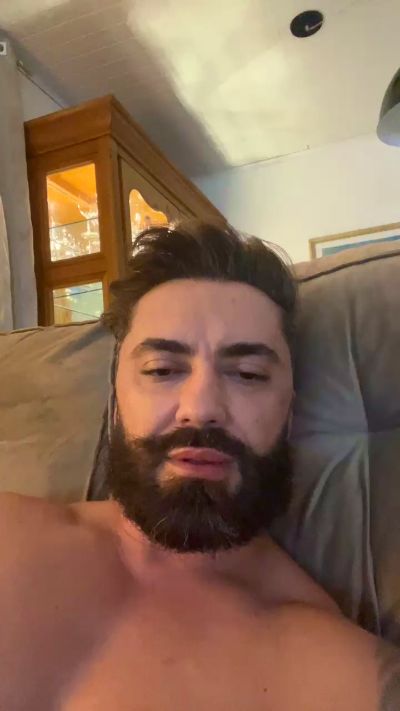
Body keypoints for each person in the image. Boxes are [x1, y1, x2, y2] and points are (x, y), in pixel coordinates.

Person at [0, 221, 399, 711]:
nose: (201, 407)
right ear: (117, 403)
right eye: (162, 370)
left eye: (248, 374)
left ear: (289, 412)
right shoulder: (10, 531)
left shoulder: (335, 671)